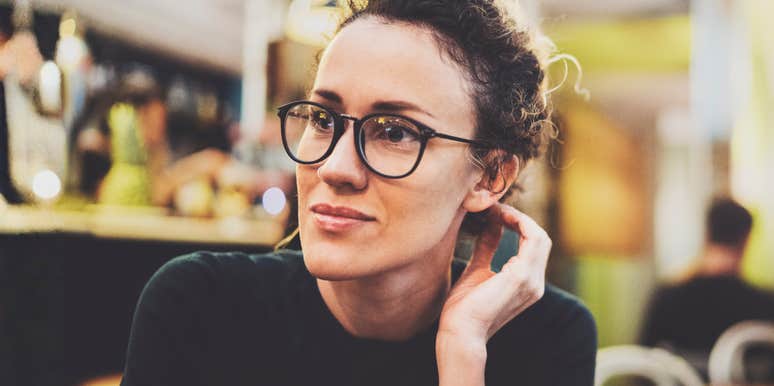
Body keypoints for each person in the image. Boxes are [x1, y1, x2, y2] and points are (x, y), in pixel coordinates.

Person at [121, 1, 597, 385]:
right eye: (322, 119)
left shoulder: (546, 339)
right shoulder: (199, 306)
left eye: (395, 132)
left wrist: (463, 352)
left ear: (489, 176)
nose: (334, 168)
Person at [640, 198, 774, 376]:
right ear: (746, 239)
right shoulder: (765, 303)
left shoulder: (668, 296)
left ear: (707, 233)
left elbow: (640, 359)